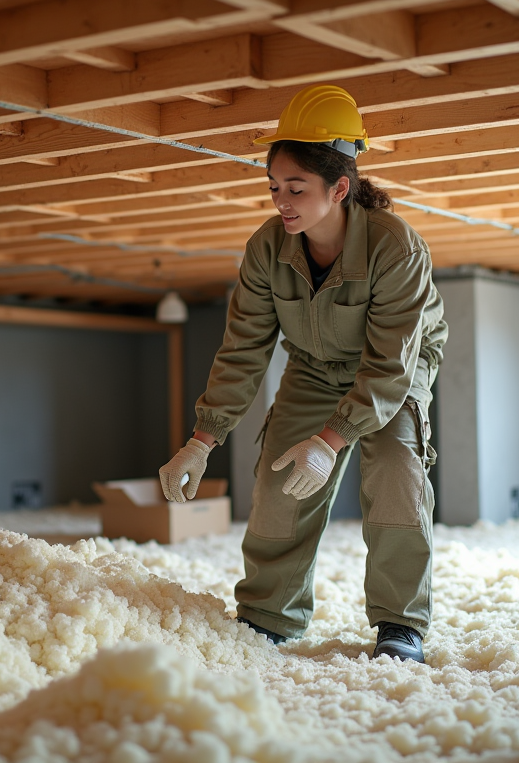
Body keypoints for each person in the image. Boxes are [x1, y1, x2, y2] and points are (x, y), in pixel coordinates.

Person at [158, 85, 448, 663]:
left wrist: (332, 440)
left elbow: (390, 363)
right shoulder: (267, 250)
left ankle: (400, 623)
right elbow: (243, 348)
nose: (281, 201)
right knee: (278, 478)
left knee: (395, 469)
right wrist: (202, 440)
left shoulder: (397, 248)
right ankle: (269, 615)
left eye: (296, 188)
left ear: (339, 188)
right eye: (273, 187)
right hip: (314, 368)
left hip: (395, 370)